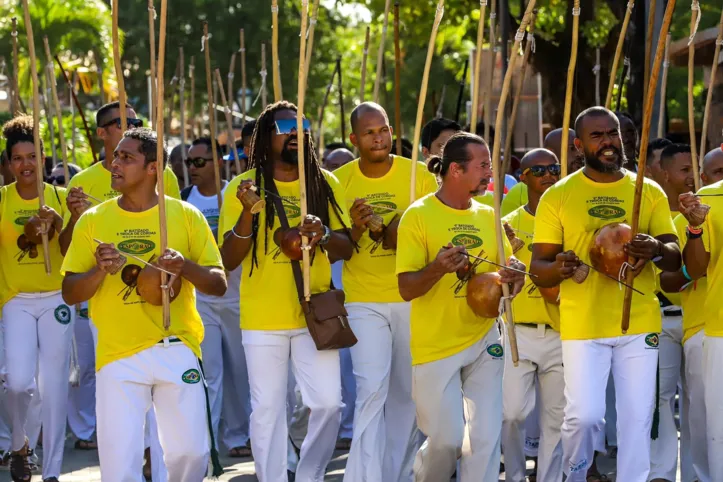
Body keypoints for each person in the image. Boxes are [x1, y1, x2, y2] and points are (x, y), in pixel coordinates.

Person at [61, 127, 226, 481]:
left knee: (191, 454)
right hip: (118, 355)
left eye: (126, 157)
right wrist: (98, 272)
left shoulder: (185, 215)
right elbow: (70, 291)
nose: (113, 164)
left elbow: (218, 283)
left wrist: (185, 267)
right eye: (115, 155)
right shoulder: (93, 219)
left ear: (153, 168)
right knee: (120, 465)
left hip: (177, 344)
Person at [530, 106, 681, 482]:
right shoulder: (559, 195)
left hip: (639, 320)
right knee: (584, 417)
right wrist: (561, 267)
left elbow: (674, 256)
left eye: (612, 133)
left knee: (636, 418)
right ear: (579, 146)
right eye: (597, 136)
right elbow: (539, 267)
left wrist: (656, 250)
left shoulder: (647, 190)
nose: (609, 142)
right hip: (584, 324)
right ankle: (575, 473)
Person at [218, 101, 354, 481]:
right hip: (263, 316)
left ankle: (308, 474)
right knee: (268, 410)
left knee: (329, 404)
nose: (296, 133)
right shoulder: (242, 187)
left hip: (316, 313)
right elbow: (229, 258)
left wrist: (323, 234)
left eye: (303, 125)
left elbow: (347, 245)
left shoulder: (324, 183)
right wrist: (248, 213)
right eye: (285, 127)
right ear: (265, 137)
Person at [397, 132, 525, 481]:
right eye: (483, 165)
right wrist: (438, 267)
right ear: (455, 169)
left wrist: (516, 275)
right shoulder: (418, 216)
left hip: (485, 338)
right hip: (436, 345)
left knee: (484, 440)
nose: (490, 173)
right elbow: (406, 289)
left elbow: (508, 278)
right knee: (447, 441)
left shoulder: (490, 215)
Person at [335, 102, 437, 482]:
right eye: (369, 132)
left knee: (405, 395)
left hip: (411, 297)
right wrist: (358, 229)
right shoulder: (339, 180)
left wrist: (399, 229)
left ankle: (398, 473)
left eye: (383, 130)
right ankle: (363, 477)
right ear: (353, 139)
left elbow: (431, 233)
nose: (379, 138)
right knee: (370, 389)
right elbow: (336, 245)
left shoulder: (420, 176)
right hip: (363, 299)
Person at [0, 116, 70, 482]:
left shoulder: (58, 197)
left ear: (43, 158)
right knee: (18, 383)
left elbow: (72, 251)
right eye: (18, 158)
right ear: (9, 163)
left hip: (57, 298)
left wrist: (64, 222)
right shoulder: (2, 200)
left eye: (32, 156)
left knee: (54, 385)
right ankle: (19, 445)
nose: (25, 164)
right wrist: (27, 236)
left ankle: (53, 469)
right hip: (16, 300)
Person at [182, 137, 252, 458]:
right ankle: (207, 441)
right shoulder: (185, 199)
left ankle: (238, 436)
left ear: (219, 162)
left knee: (240, 372)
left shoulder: (236, 194)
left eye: (200, 162)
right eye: (189, 163)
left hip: (238, 295)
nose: (193, 169)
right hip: (202, 297)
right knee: (209, 372)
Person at [658, 147, 723, 482]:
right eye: (715, 172)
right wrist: (693, 270)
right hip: (703, 326)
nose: (719, 178)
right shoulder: (694, 210)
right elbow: (668, 278)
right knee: (702, 416)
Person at [501, 148, 564, 482]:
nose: (548, 174)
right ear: (523, 178)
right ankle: (513, 476)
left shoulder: (568, 221)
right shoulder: (507, 225)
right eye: (538, 170)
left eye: (553, 167)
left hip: (561, 328)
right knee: (510, 413)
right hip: (517, 331)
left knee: (556, 419)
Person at [648, 144, 694, 482]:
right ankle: (661, 473)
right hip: (661, 318)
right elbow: (663, 275)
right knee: (659, 399)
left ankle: (695, 471)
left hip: (697, 318)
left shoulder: (704, 211)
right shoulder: (652, 213)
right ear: (663, 173)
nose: (691, 176)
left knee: (698, 401)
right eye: (683, 170)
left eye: (694, 169)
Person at [678, 170, 723, 480]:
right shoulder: (708, 197)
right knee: (718, 430)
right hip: (720, 329)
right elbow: (694, 270)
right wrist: (695, 228)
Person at [501, 128, 584, 217]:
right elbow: (506, 227)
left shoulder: (583, 186)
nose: (579, 154)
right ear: (550, 151)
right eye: (572, 148)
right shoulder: (519, 192)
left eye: (580, 148)